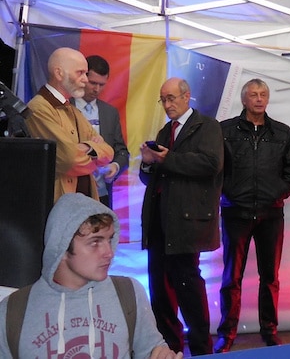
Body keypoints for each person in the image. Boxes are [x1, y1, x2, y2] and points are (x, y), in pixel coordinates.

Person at [0, 192, 183, 358]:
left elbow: (152, 350)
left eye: (109, 239)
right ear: (61, 247)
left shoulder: (128, 293)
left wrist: (163, 355)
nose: (109, 253)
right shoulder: (13, 311)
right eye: (95, 242)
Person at [140, 77, 224, 356]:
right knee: (160, 289)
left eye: (171, 98)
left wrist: (167, 159)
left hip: (186, 220)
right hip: (159, 219)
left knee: (188, 287)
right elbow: (151, 177)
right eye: (163, 99)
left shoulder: (207, 126)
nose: (167, 104)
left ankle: (201, 349)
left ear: (187, 97)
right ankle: (170, 348)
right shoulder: (166, 131)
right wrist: (148, 163)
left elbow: (211, 164)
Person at [214, 79, 290, 353]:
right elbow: (216, 169)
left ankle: (269, 330)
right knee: (231, 278)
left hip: (271, 214)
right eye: (254, 95)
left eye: (263, 94)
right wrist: (229, 194)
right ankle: (227, 333)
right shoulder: (225, 130)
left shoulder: (282, 132)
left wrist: (276, 195)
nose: (259, 99)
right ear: (244, 99)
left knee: (270, 277)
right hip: (235, 213)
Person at [25, 47, 114, 202]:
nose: (85, 79)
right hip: (59, 205)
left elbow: (109, 152)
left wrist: (85, 147)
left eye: (85, 73)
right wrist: (94, 148)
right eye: (80, 73)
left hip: (79, 204)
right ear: (59, 73)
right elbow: (69, 161)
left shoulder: (70, 109)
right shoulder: (38, 108)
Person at [71, 55, 129, 208]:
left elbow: (122, 151)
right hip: (71, 190)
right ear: (83, 78)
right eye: (93, 83)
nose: (96, 89)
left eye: (101, 84)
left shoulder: (110, 113)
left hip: (101, 193)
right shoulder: (65, 107)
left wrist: (115, 166)